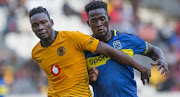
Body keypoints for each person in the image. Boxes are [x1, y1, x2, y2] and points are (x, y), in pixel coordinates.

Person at [29, 6, 151, 97]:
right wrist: (90, 75)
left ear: (51, 22)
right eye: (35, 25)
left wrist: (141, 68)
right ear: (32, 28)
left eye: (43, 22)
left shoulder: (73, 38)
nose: (40, 27)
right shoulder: (36, 53)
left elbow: (109, 51)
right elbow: (64, 73)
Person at [84, 1, 169, 97]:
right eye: (94, 21)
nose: (99, 24)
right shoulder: (86, 49)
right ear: (88, 23)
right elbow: (83, 80)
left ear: (108, 19)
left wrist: (161, 58)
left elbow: (153, 50)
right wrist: (90, 78)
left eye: (102, 19)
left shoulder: (126, 39)